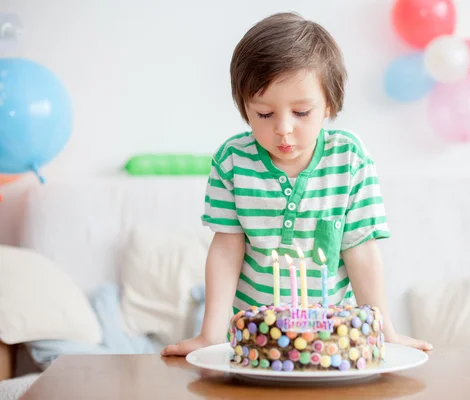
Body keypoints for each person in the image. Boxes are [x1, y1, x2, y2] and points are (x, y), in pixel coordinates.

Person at [162, 12, 432, 357]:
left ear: (329, 104)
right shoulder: (232, 161)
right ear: (245, 108)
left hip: (332, 338)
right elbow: (227, 248)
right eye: (263, 114)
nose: (283, 129)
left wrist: (386, 332)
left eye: (301, 112)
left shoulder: (349, 160)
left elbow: (360, 251)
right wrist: (210, 334)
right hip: (254, 340)